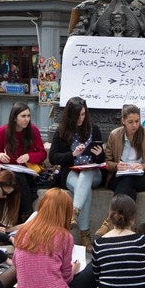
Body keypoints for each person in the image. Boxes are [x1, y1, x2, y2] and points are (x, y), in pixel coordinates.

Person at [12, 188, 95, 288]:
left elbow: (16, 264)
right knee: (91, 269)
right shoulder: (64, 236)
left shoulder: (23, 232)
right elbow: (67, 278)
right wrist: (73, 270)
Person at [95, 103, 145, 236]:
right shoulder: (115, 135)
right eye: (130, 122)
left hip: (143, 177)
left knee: (129, 181)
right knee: (127, 181)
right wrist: (117, 166)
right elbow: (107, 162)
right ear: (123, 121)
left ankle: (109, 221)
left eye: (137, 121)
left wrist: (142, 166)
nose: (135, 125)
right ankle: (128, 228)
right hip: (118, 177)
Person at [49, 96, 105, 251]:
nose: (81, 118)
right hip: (72, 173)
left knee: (86, 174)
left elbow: (102, 158)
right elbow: (52, 157)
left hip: (93, 173)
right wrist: (72, 155)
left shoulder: (94, 129)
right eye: (78, 115)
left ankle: (74, 212)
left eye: (83, 114)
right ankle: (85, 235)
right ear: (70, 116)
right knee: (85, 190)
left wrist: (99, 154)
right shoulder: (62, 131)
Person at [0, 101, 47, 222]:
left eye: (28, 116)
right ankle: (27, 215)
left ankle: (25, 216)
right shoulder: (3, 131)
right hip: (8, 172)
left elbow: (42, 154)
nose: (27, 119)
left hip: (28, 171)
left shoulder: (33, 130)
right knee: (8, 181)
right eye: (23, 116)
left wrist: (29, 156)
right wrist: (0, 156)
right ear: (15, 118)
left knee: (20, 178)